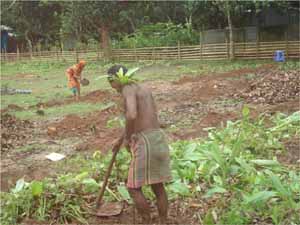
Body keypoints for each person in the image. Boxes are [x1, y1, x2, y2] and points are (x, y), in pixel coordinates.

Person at [107, 65, 172, 224]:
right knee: (158, 186)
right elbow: (143, 118)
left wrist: (128, 139)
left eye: (110, 82)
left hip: (145, 141)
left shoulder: (127, 88)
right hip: (158, 138)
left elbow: (132, 114)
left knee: (133, 187)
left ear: (115, 79)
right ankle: (163, 221)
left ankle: (146, 220)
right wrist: (120, 139)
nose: (111, 86)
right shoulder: (143, 88)